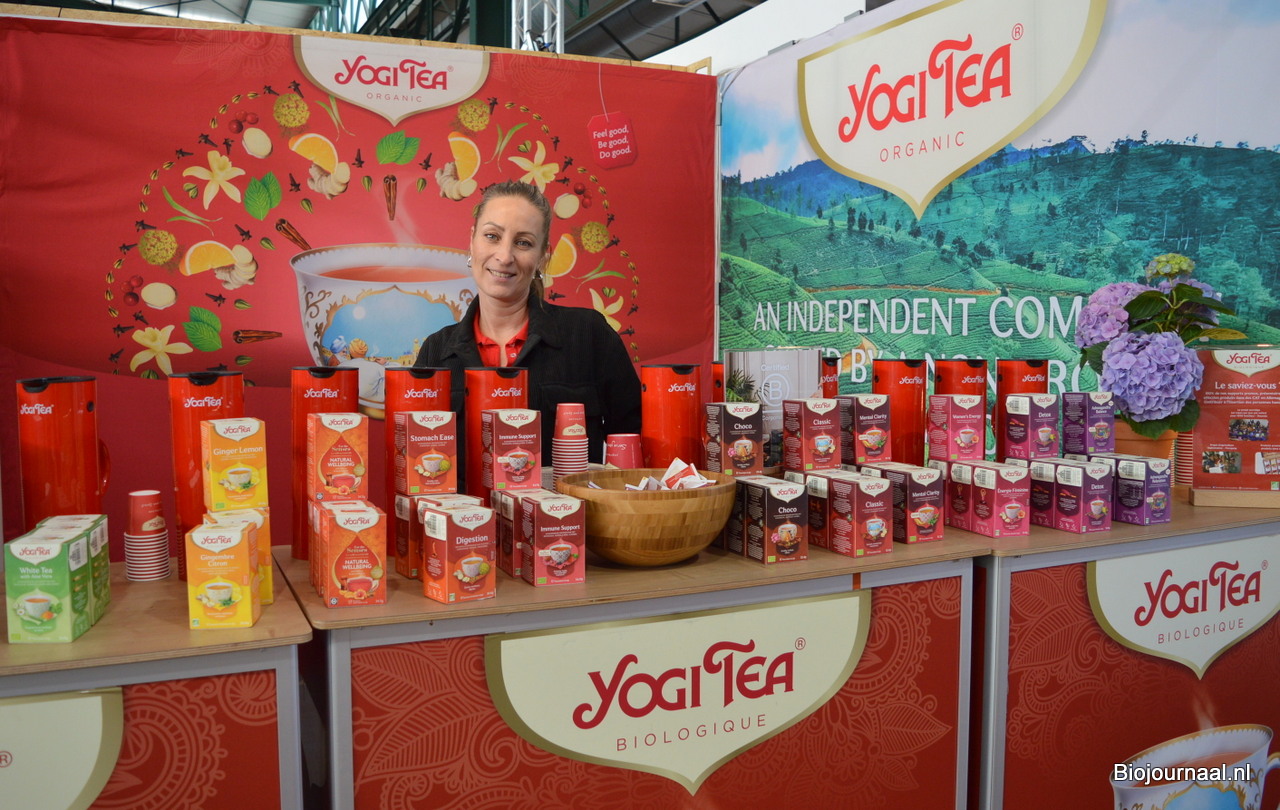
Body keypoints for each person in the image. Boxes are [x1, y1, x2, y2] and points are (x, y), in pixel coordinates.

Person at [414, 180, 641, 473]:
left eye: (523, 243)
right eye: (492, 236)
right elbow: (417, 461)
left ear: (543, 256)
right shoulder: (436, 352)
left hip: (567, 504)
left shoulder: (588, 334)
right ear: (472, 241)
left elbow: (633, 444)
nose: (504, 256)